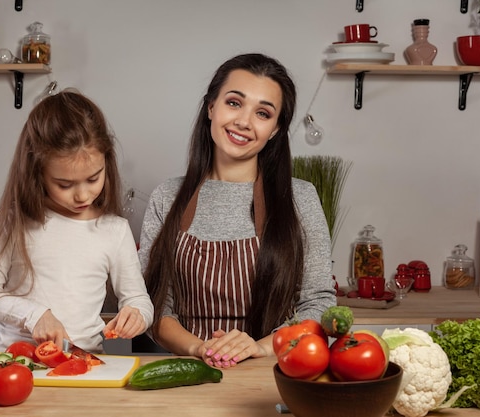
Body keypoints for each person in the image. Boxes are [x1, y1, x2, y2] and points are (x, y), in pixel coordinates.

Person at [138, 53, 335, 368]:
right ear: (211, 107)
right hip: (186, 370)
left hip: (271, 371)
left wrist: (258, 348)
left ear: (275, 129)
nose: (244, 121)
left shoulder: (300, 198)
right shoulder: (167, 197)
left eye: (263, 113)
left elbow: (318, 306)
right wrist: (200, 349)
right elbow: (154, 305)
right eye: (234, 103)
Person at [0, 90, 154, 353]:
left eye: (93, 178)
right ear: (37, 173)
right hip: (14, 364)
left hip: (83, 365)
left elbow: (138, 299)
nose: (83, 194)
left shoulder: (114, 231)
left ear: (107, 162)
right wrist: (34, 314)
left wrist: (137, 314)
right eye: (64, 184)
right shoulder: (14, 223)